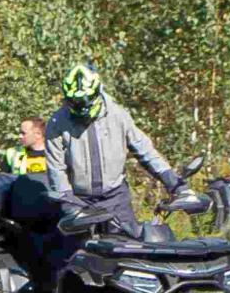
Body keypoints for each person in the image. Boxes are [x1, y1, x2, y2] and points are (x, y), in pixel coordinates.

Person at [44, 63, 186, 250]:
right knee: (75, 257)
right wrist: (69, 205)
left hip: (115, 198)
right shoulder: (57, 123)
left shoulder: (118, 115)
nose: (80, 108)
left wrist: (172, 181)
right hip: (78, 200)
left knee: (131, 251)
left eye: (85, 102)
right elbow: (56, 169)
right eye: (74, 103)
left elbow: (145, 151)